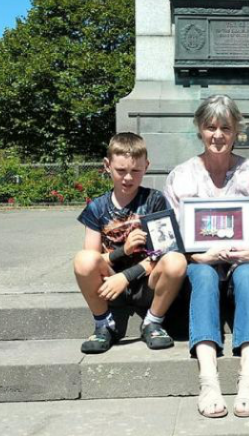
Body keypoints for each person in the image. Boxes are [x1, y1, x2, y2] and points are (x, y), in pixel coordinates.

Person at [164, 95, 249, 419]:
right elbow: (173, 236)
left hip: (244, 262)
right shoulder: (181, 176)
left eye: (225, 127)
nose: (217, 135)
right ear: (200, 129)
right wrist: (197, 256)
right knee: (202, 274)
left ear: (236, 130)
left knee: (246, 273)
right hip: (200, 265)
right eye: (210, 127)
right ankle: (209, 379)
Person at [73, 132, 187, 354]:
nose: (128, 178)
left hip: (147, 281)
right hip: (109, 286)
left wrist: (126, 276)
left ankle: (153, 321)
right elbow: (94, 258)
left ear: (146, 166)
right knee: (83, 259)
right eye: (121, 171)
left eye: (135, 171)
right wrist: (122, 252)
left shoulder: (155, 200)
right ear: (107, 166)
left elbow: (165, 251)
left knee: (176, 260)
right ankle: (104, 324)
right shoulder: (96, 208)